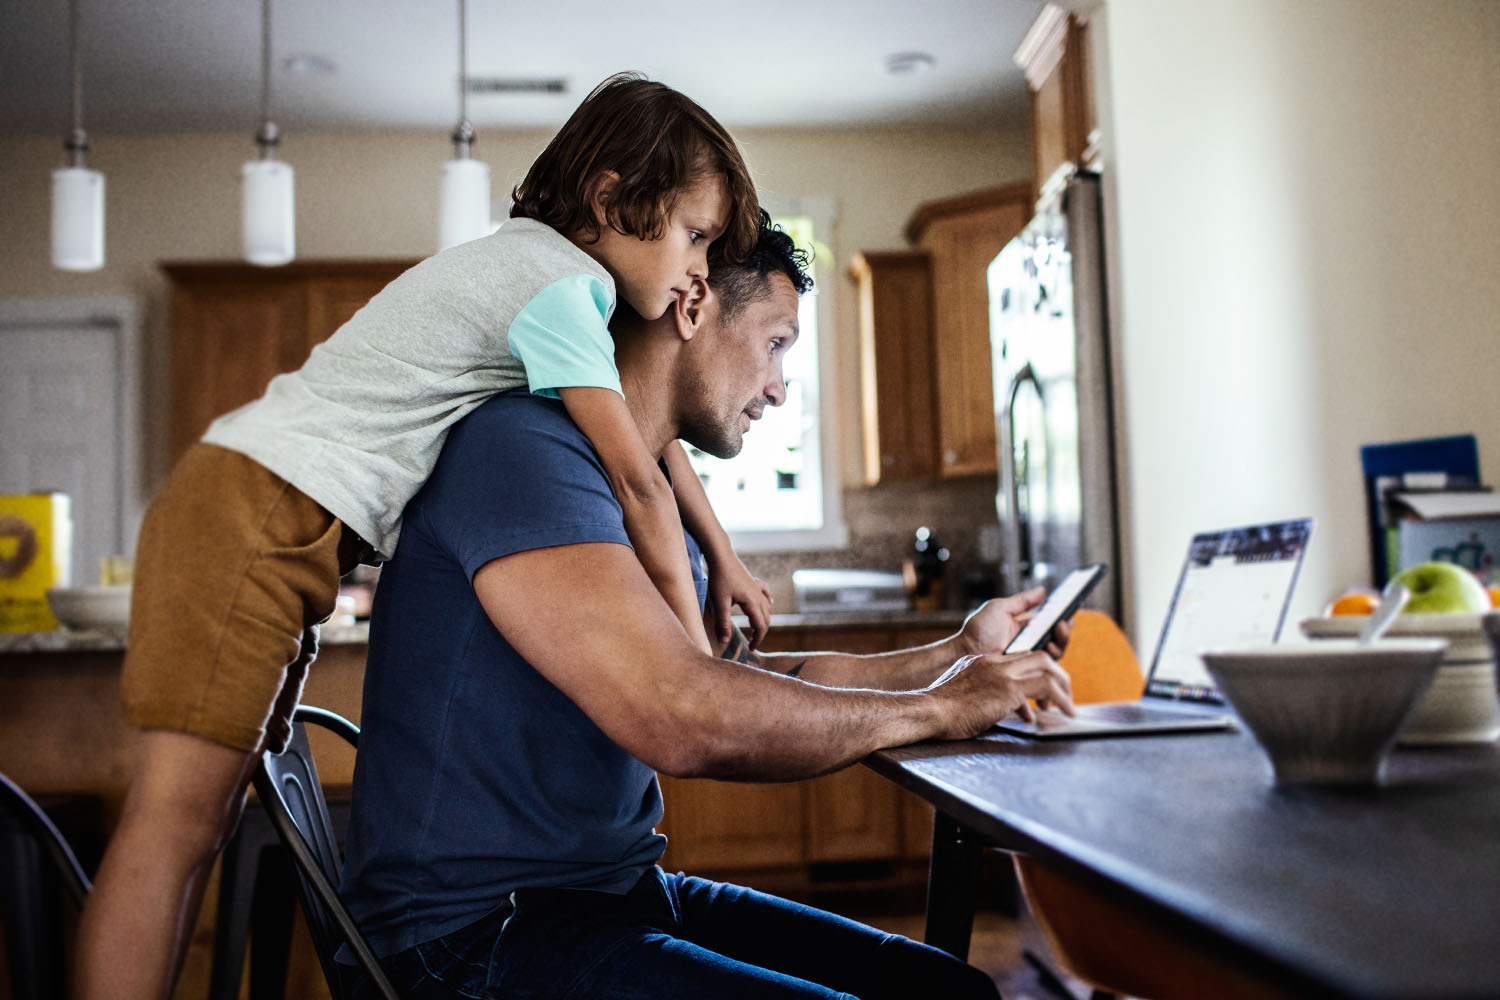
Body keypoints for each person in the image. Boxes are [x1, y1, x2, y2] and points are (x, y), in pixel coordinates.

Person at [75, 73, 772, 999]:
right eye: (695, 235)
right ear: (611, 201)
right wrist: (693, 662)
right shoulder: (556, 286)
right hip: (248, 514)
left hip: (273, 524)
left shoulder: (553, 287)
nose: (698, 267)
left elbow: (649, 448)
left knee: (191, 830)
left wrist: (719, 554)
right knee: (175, 830)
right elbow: (634, 476)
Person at [339, 217, 1075, 999]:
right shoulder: (521, 450)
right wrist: (937, 709)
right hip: (470, 939)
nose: (778, 388)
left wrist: (956, 659)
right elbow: (685, 716)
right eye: (777, 344)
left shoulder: (645, 486)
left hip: (608, 897)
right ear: (691, 308)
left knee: (947, 990)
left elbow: (743, 678)